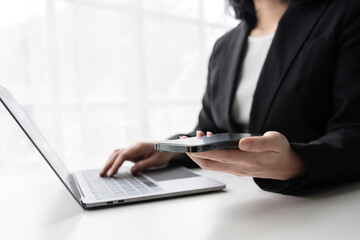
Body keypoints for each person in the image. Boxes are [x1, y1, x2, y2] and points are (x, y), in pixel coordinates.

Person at [100, 0, 360, 194]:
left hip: (314, 203)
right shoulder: (225, 45)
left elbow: (353, 131)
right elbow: (211, 129)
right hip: (232, 201)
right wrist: (168, 150)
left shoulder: (345, 14)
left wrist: (295, 162)